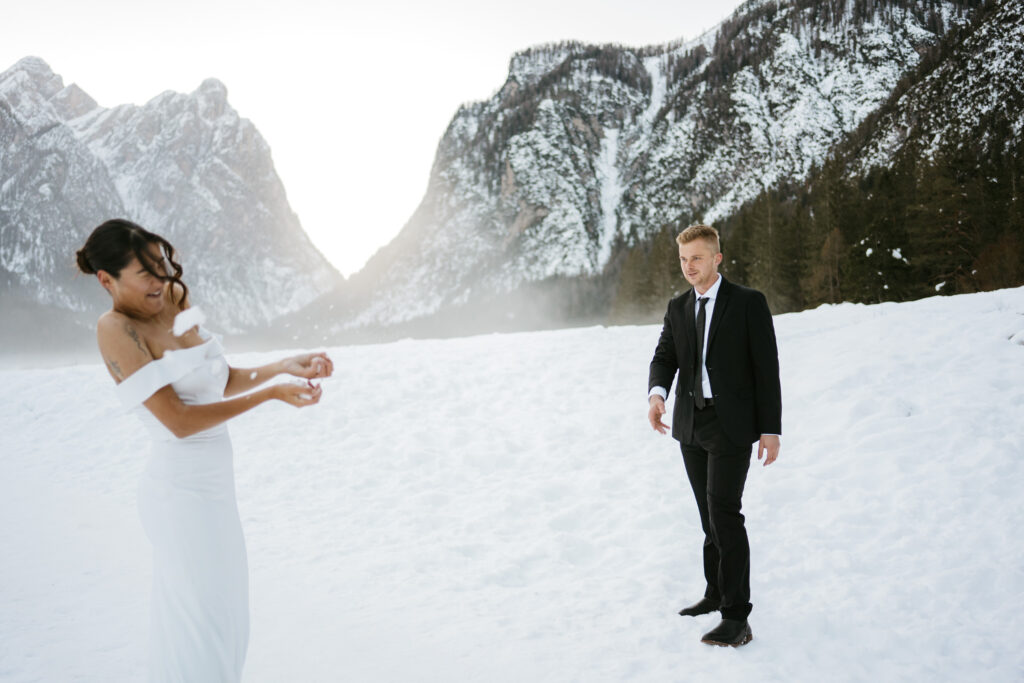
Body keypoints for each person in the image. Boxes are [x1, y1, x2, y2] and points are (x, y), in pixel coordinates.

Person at [76, 218, 333, 681]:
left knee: (229, 621)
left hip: (217, 494)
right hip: (179, 497)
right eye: (146, 274)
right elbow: (178, 420)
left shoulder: (174, 298)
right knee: (201, 630)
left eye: (163, 266)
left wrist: (279, 366)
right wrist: (270, 395)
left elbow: (217, 377)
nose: (161, 282)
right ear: (106, 280)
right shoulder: (114, 328)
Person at [647, 224, 781, 648]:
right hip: (690, 425)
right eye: (684, 259)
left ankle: (737, 617)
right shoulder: (678, 307)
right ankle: (715, 592)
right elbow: (665, 355)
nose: (689, 266)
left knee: (725, 515)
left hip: (731, 426)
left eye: (698, 258)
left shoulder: (747, 303)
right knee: (709, 518)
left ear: (717, 258)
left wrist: (770, 429)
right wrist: (656, 395)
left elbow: (766, 368)